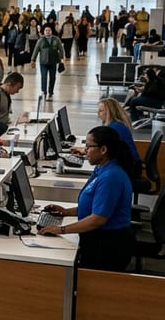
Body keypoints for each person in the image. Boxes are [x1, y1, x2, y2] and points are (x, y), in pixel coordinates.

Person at [40, 126, 136, 271]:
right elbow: (94, 205)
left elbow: (98, 219)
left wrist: (61, 229)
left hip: (107, 245)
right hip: (98, 238)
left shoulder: (111, 177)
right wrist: (66, 212)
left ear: (103, 150)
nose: (85, 152)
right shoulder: (101, 169)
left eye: (88, 147)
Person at [74, 98, 142, 166]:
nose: (98, 113)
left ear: (109, 112)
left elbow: (104, 151)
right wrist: (86, 150)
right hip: (129, 163)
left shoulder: (114, 128)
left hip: (129, 167)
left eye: (101, 111)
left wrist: (85, 151)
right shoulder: (117, 124)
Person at [31, 25, 65, 99]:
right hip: (43, 62)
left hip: (53, 62)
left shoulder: (56, 39)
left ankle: (50, 92)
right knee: (44, 77)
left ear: (51, 31)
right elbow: (36, 50)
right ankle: (44, 91)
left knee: (53, 77)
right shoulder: (40, 40)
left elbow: (61, 49)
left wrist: (61, 60)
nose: (47, 32)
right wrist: (33, 60)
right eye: (46, 30)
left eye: (49, 30)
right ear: (44, 32)